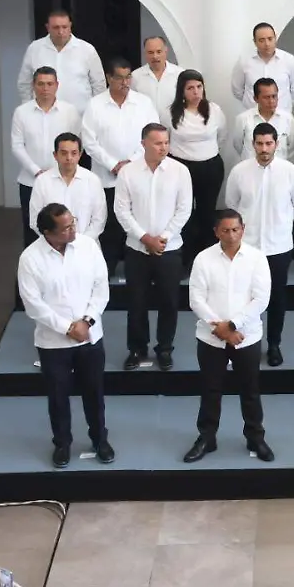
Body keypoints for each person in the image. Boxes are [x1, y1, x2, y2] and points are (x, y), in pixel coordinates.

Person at [17, 203, 112, 469]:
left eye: (73, 223)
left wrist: (87, 321)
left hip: (90, 336)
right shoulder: (30, 258)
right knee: (58, 396)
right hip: (53, 342)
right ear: (47, 231)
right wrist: (67, 328)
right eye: (67, 227)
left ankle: (99, 439)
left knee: (94, 393)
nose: (74, 229)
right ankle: (62, 443)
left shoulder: (88, 247)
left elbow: (100, 287)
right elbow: (33, 303)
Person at [184, 209, 274, 463]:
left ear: (243, 229)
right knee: (210, 389)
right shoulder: (203, 259)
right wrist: (220, 329)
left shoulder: (257, 258)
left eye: (236, 229)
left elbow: (261, 298)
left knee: (250, 391)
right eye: (226, 230)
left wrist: (233, 325)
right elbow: (196, 299)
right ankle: (207, 437)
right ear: (216, 232)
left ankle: (255, 437)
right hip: (211, 337)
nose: (231, 235)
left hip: (247, 336)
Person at [225, 122, 294, 367]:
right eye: (259, 143)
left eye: (269, 143)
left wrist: (281, 221)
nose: (264, 148)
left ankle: (274, 345)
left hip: (279, 246)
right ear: (253, 144)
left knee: (276, 298)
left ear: (277, 144)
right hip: (246, 247)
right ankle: (241, 343)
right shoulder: (239, 171)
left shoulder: (290, 171)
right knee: (242, 297)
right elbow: (232, 205)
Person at [114, 123, 192, 371]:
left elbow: (184, 209)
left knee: (169, 302)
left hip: (170, 249)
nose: (163, 147)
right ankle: (137, 349)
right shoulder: (128, 172)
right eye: (158, 143)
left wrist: (164, 237)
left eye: (166, 142)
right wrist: (144, 237)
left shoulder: (180, 171)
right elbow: (122, 210)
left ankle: (165, 349)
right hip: (137, 249)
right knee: (136, 302)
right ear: (143, 143)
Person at [81, 58, 160, 276]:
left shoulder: (143, 103)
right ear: (108, 78)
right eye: (119, 78)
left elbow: (152, 135)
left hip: (138, 175)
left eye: (128, 77)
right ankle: (107, 270)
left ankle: (141, 269)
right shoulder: (95, 104)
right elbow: (89, 142)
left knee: (139, 220)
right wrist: (113, 164)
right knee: (110, 226)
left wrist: (131, 162)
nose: (125, 83)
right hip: (106, 177)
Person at [12, 67, 82, 245]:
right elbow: (17, 146)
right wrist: (37, 172)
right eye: (41, 84)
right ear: (33, 85)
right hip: (30, 180)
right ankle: (34, 270)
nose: (45, 88)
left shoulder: (69, 111)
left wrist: (57, 171)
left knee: (63, 226)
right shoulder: (22, 112)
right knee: (32, 229)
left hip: (62, 179)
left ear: (57, 85)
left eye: (50, 84)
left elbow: (76, 144)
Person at [168, 69, 226, 268]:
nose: (196, 92)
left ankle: (207, 261)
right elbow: (165, 139)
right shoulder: (170, 112)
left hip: (210, 166)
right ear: (182, 91)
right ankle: (184, 261)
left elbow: (222, 137)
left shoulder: (214, 110)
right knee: (183, 212)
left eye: (199, 87)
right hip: (181, 167)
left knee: (206, 213)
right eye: (190, 88)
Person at [16, 8, 106, 114]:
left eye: (64, 27)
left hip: (80, 116)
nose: (61, 32)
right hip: (44, 116)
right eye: (56, 27)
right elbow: (25, 83)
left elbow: (99, 85)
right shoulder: (35, 49)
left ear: (70, 26)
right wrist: (29, 110)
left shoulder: (87, 50)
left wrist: (96, 113)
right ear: (47, 28)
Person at [28, 133, 107, 240]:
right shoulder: (42, 181)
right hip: (52, 245)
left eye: (74, 153)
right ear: (55, 155)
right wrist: (56, 239)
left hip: (86, 246)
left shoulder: (93, 180)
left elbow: (99, 220)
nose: (69, 158)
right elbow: (35, 220)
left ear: (80, 154)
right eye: (63, 153)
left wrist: (80, 243)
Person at [230, 22, 294, 112]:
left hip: (281, 118)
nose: (267, 44)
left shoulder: (289, 60)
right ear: (255, 42)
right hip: (253, 118)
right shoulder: (244, 62)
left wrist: (283, 107)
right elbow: (237, 90)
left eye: (270, 39)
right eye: (262, 40)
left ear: (275, 38)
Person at [233, 78, 294, 161]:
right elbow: (238, 145)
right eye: (266, 97)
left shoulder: (288, 119)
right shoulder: (243, 119)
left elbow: (292, 147)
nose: (271, 101)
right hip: (251, 169)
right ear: (255, 98)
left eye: (274, 96)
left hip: (278, 170)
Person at [130, 36, 185, 126]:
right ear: (145, 53)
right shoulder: (135, 76)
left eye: (159, 52)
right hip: (146, 129)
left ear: (166, 51)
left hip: (175, 128)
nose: (155, 56)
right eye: (150, 52)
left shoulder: (179, 74)